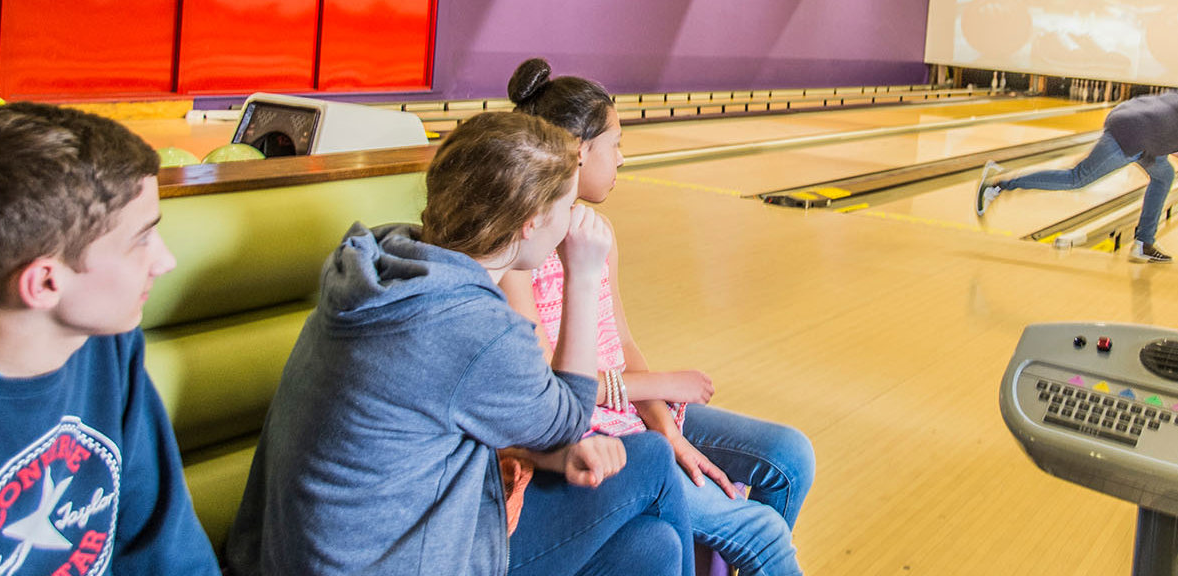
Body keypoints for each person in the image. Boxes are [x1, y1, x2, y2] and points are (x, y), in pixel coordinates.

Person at [224, 112, 692, 576]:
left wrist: (553, 452)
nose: (572, 222)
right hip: (386, 563)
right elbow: (569, 420)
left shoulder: (386, 264)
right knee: (650, 458)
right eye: (567, 207)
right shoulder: (472, 326)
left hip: (308, 557)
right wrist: (585, 276)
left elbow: (453, 412)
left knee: (651, 549)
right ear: (531, 221)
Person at [0, 103, 220, 574]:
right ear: (45, 283)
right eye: (141, 240)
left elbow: (165, 550)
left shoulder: (106, 348)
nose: (164, 260)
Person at [501, 58, 814, 575]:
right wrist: (662, 386)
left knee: (790, 457)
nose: (622, 158)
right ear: (580, 151)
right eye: (616, 143)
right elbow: (544, 391)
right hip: (577, 442)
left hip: (630, 417)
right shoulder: (524, 247)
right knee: (762, 532)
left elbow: (622, 343)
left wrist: (668, 431)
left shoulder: (599, 232)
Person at [976, 72, 1178, 263]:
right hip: (1132, 136)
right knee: (1077, 178)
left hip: (1132, 122)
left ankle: (1144, 243)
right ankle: (999, 183)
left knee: (1164, 175)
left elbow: (1172, 125)